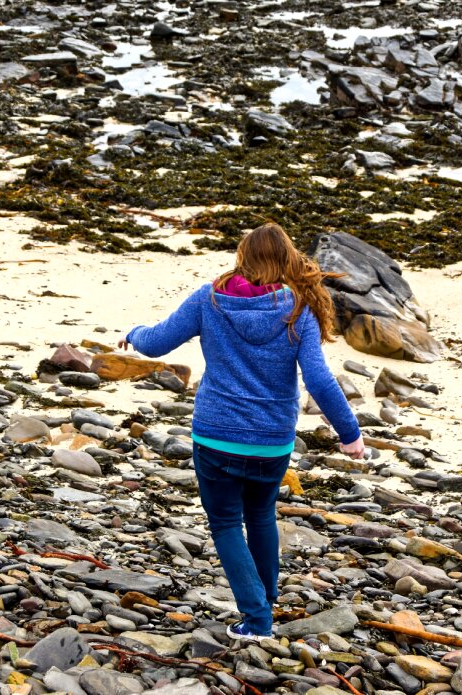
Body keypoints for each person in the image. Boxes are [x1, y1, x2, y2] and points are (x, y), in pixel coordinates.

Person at [119, 222, 365, 640]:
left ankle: (256, 619)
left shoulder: (210, 298)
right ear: (287, 260)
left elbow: (158, 342)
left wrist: (132, 334)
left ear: (243, 258)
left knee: (227, 524)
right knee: (260, 515)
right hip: (271, 441)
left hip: (216, 435)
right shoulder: (298, 306)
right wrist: (350, 434)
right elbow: (319, 380)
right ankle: (262, 604)